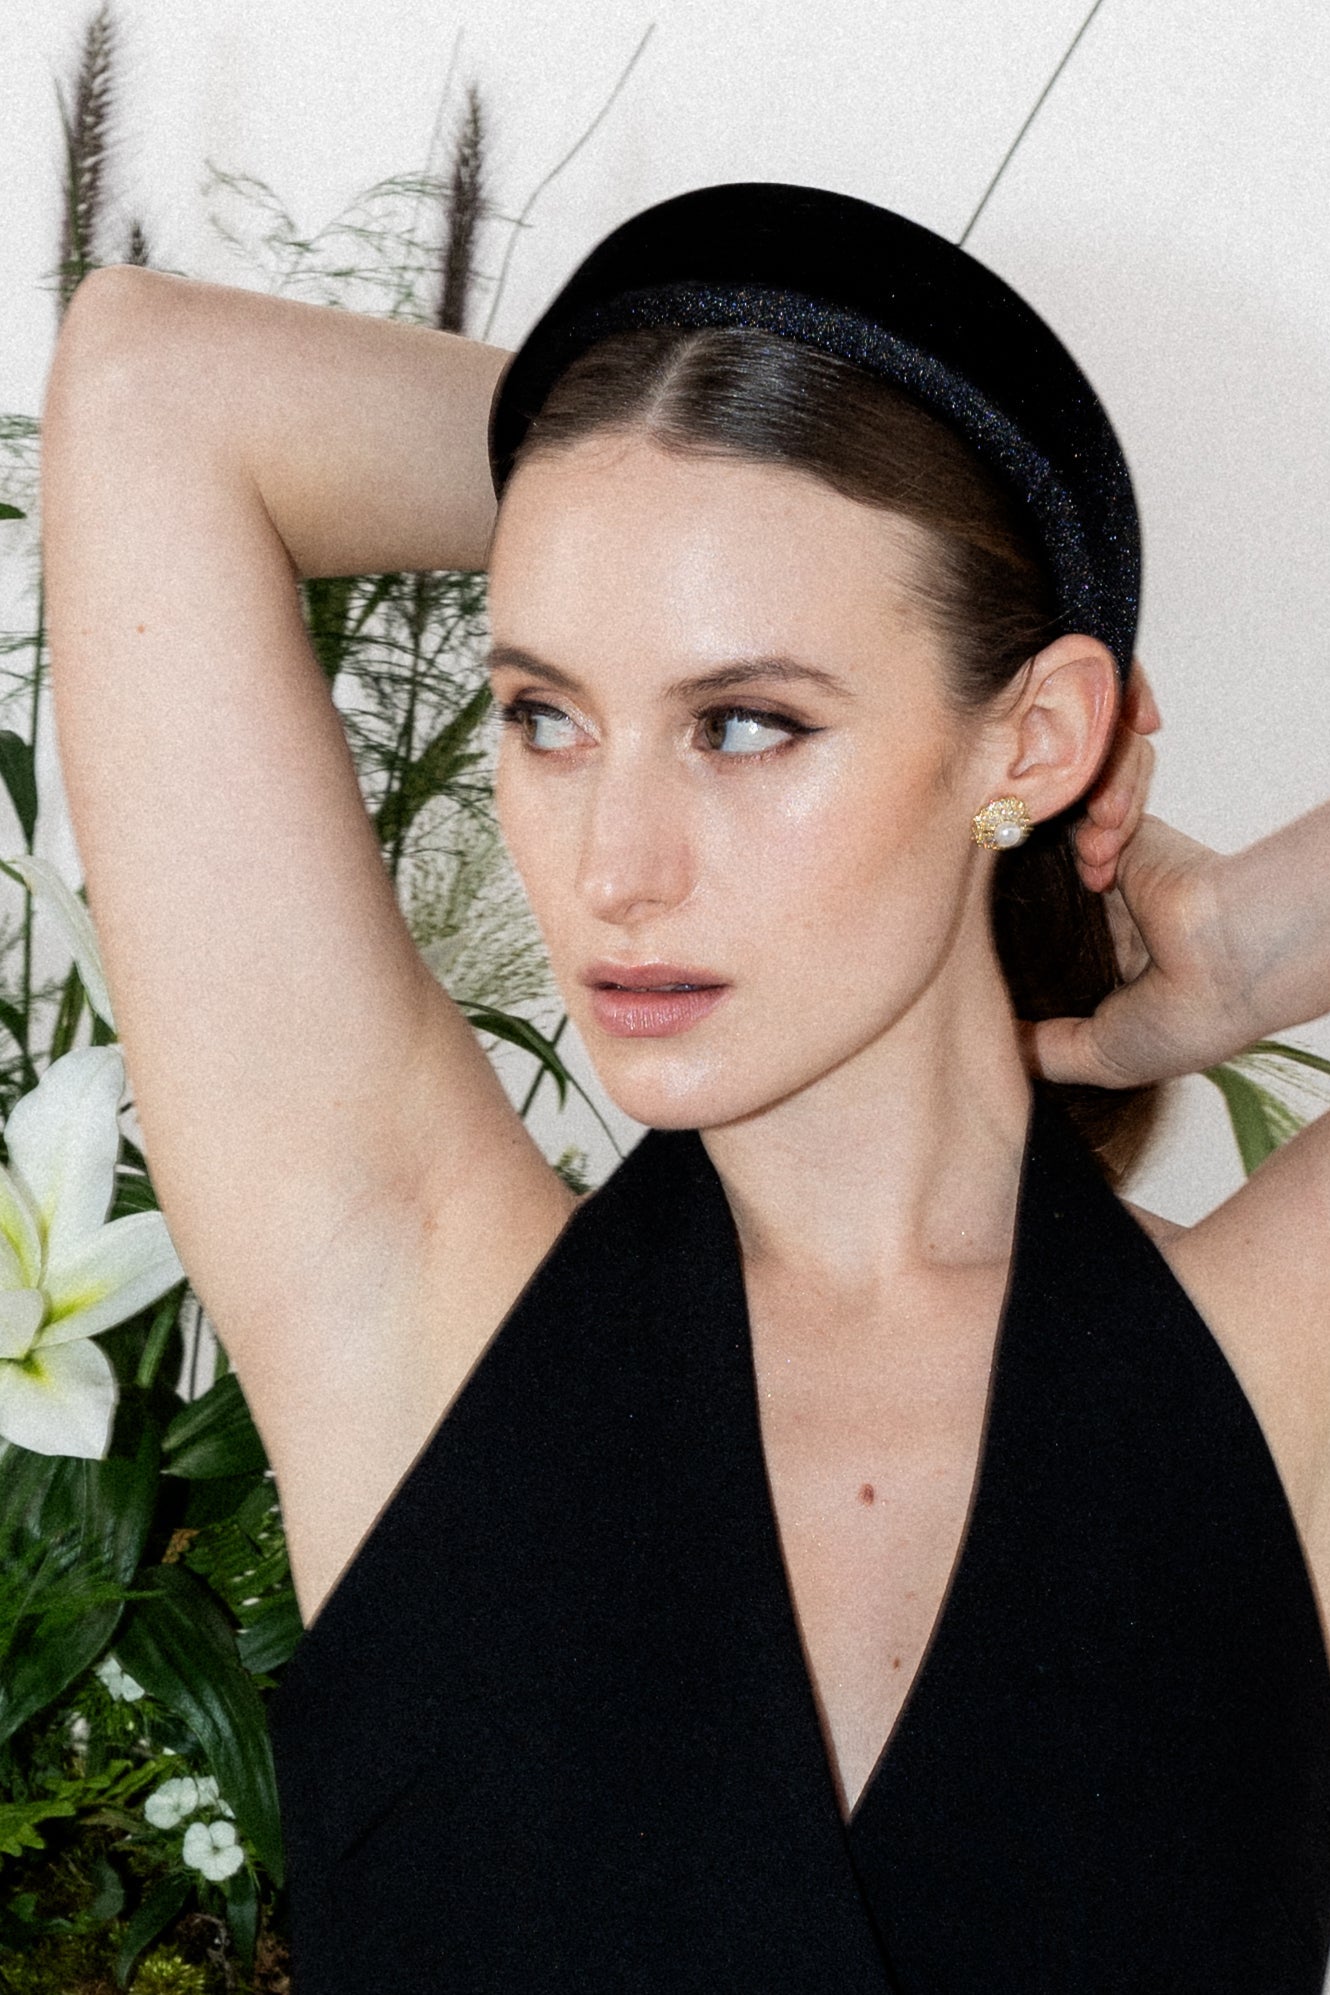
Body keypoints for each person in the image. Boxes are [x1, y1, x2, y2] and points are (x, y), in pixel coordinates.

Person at [40, 181, 1330, 1991]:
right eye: (546, 717)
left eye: (743, 724)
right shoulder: (408, 1302)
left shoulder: (1265, 1366)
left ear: (1033, 736)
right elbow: (153, 386)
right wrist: (677, 438)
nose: (612, 867)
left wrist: (1246, 943)